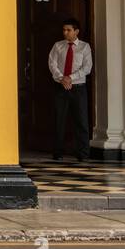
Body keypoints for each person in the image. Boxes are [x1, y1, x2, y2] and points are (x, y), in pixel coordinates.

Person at [47, 17, 92, 161]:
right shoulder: (57, 46)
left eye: (68, 30)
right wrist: (62, 78)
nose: (65, 32)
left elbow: (87, 68)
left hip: (78, 89)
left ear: (76, 31)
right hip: (61, 88)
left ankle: (83, 153)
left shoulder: (85, 47)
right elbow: (52, 64)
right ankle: (58, 152)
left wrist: (70, 77)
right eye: (64, 30)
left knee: (81, 121)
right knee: (59, 120)